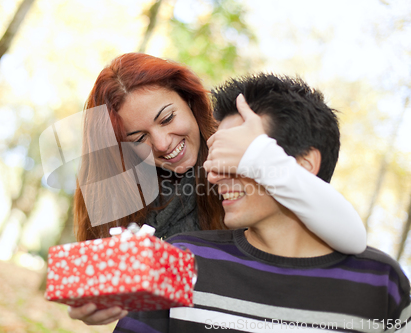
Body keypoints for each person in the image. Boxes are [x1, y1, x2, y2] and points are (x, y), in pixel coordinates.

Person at [70, 53, 366, 325]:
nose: (161, 143)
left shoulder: (241, 155)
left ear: (190, 101)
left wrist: (258, 155)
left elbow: (351, 237)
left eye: (167, 118)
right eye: (138, 138)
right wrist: (100, 302)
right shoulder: (133, 197)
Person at [112, 74, 410, 333]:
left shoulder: (381, 283)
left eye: (236, 156)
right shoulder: (181, 260)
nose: (212, 175)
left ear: (301, 167)